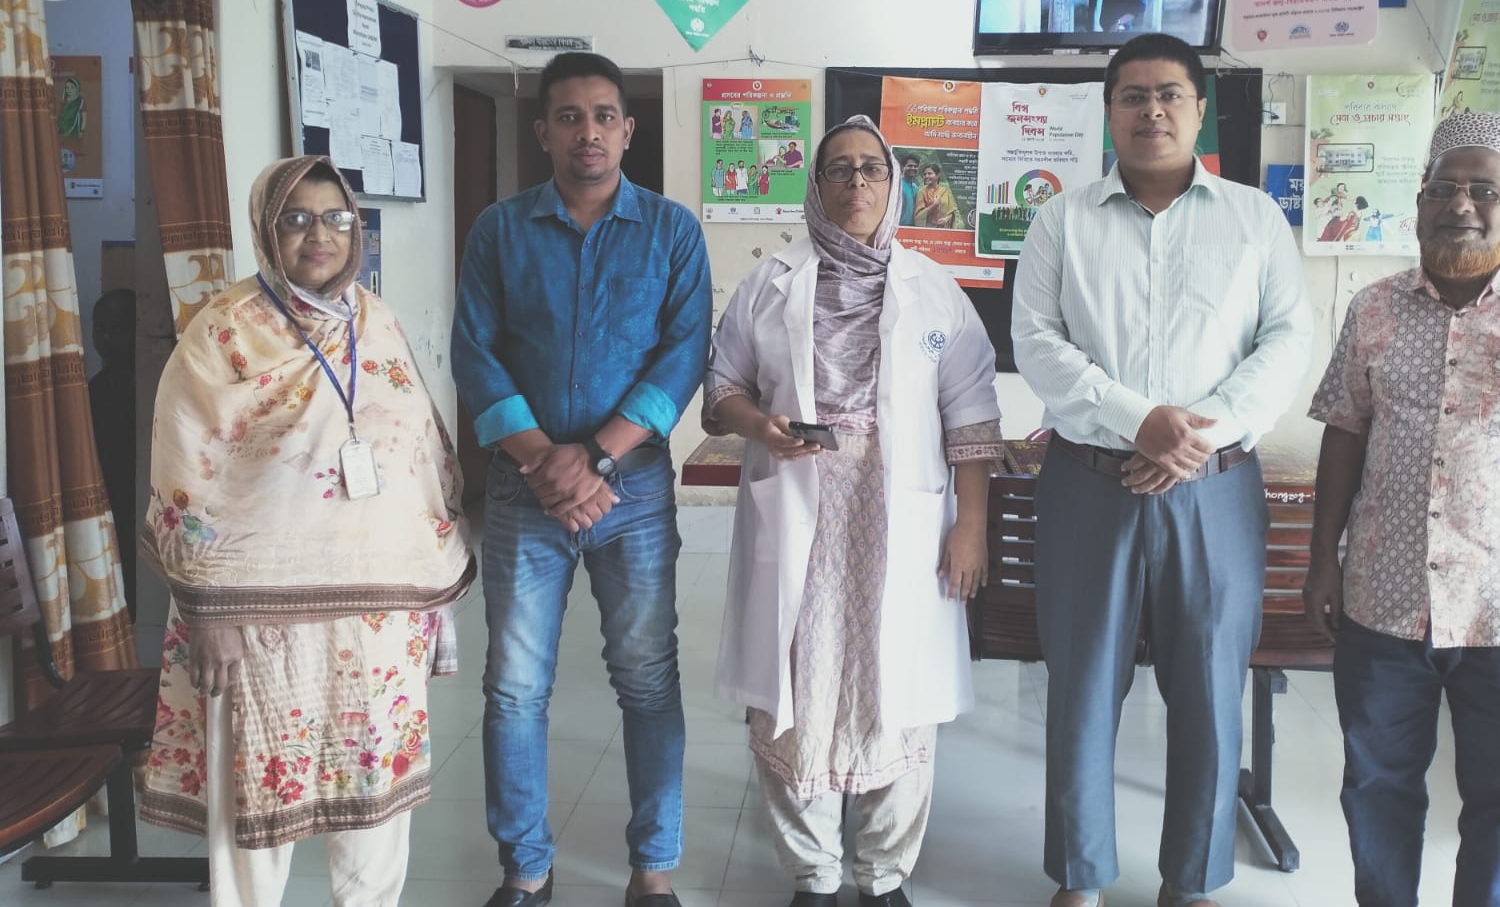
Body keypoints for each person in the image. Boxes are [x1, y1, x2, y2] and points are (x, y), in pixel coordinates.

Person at [1011, 32, 1312, 907]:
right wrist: (1136, 420)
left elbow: (1287, 339)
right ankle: (1080, 876)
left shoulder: (1254, 218)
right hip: (1089, 484)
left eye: (1170, 94)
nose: (1152, 110)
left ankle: (1192, 879)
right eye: (1133, 96)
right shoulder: (1060, 220)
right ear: (1109, 112)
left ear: (1199, 109)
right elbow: (1036, 341)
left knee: (1211, 688)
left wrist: (1190, 438)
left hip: (1214, 489)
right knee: (1081, 686)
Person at [140, 156, 474, 907]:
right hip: (257, 617)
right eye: (295, 219)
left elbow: (422, 453)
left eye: (335, 218)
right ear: (267, 229)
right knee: (256, 803)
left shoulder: (377, 320)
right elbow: (182, 474)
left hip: (377, 611)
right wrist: (209, 614)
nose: (318, 234)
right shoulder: (223, 331)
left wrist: (430, 592)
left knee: (376, 802)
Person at [1304, 112, 1500, 907]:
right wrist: (1321, 562)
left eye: (1484, 190)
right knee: (1377, 785)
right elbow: (1344, 432)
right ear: (1419, 201)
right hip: (1384, 595)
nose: (1460, 205)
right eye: (1443, 188)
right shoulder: (1374, 309)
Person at [707, 115, 1002, 907]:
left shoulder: (933, 289)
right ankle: (813, 872)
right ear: (816, 185)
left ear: (894, 181)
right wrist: (761, 426)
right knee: (796, 685)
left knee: (893, 683)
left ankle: (883, 873)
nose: (857, 182)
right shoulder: (771, 281)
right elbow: (722, 389)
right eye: (839, 169)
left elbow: (973, 416)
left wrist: (971, 525)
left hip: (898, 516)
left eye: (872, 168)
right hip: (798, 506)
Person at [452, 51, 712, 907]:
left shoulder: (672, 231)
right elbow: (474, 352)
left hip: (630, 490)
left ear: (628, 130)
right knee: (514, 687)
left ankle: (653, 869)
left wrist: (594, 456)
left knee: (647, 677)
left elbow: (683, 354)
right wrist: (542, 459)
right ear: (544, 132)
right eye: (570, 117)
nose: (588, 132)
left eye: (604, 116)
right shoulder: (498, 230)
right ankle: (525, 869)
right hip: (524, 490)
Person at [88, 288, 137, 619]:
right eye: (101, 327)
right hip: (107, 500)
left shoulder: (149, 386)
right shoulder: (94, 390)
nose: (106, 338)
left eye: (118, 328)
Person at [912, 164, 959, 229]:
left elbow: (952, 213)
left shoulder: (944, 191)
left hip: (943, 230)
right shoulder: (922, 192)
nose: (926, 176)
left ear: (937, 175)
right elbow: (918, 216)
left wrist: (946, 219)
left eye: (930, 173)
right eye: (925, 174)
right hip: (927, 230)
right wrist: (934, 205)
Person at [899, 155, 920, 226]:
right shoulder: (897, 185)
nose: (913, 168)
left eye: (915, 166)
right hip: (899, 226)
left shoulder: (916, 188)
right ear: (902, 167)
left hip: (913, 228)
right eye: (910, 166)